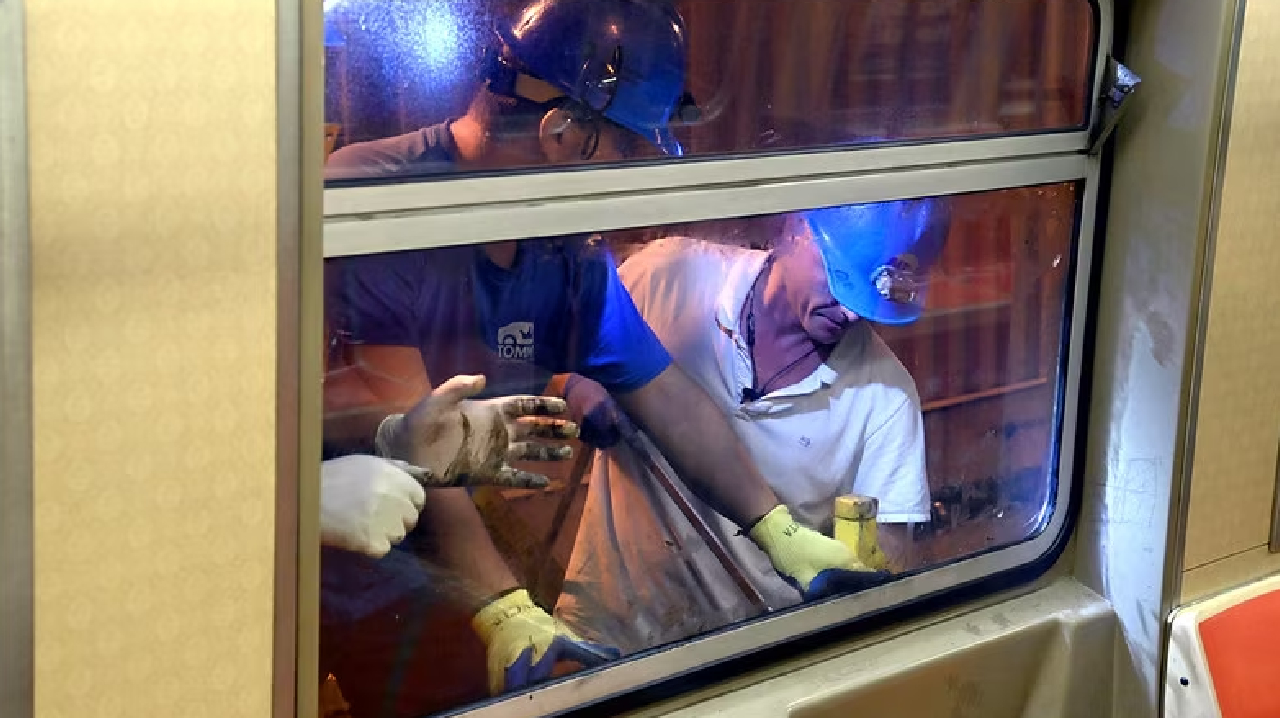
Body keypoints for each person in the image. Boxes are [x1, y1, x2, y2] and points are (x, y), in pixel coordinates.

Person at [320, 0, 885, 712]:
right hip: (333, 551)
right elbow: (425, 447)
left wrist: (779, 532)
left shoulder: (564, 248)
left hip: (446, 558)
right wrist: (507, 609)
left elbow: (665, 392)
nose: (627, 186)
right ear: (562, 132)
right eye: (625, 152)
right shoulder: (378, 201)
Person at [554, 198, 949, 654]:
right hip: (608, 626)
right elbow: (563, 360)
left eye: (869, 300)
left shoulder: (887, 398)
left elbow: (886, 563)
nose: (853, 314)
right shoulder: (666, 274)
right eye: (842, 284)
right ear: (795, 228)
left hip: (749, 653)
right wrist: (577, 387)